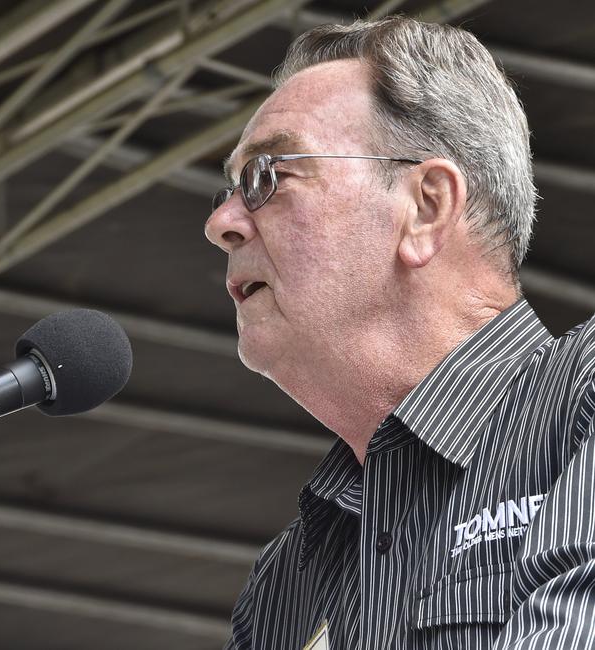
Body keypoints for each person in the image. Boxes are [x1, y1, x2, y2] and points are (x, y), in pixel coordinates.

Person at [204, 16, 595, 650]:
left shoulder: (583, 395)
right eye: (230, 188)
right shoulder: (290, 579)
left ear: (426, 207)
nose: (221, 221)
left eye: (268, 176)